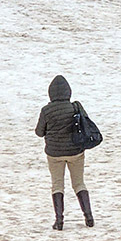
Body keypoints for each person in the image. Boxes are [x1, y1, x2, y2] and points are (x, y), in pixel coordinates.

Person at [35, 74, 94, 229]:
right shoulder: (75, 107)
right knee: (79, 183)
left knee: (57, 185)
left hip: (54, 154)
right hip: (76, 152)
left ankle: (59, 220)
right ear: (68, 92)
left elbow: (39, 132)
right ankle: (88, 217)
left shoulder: (46, 110)